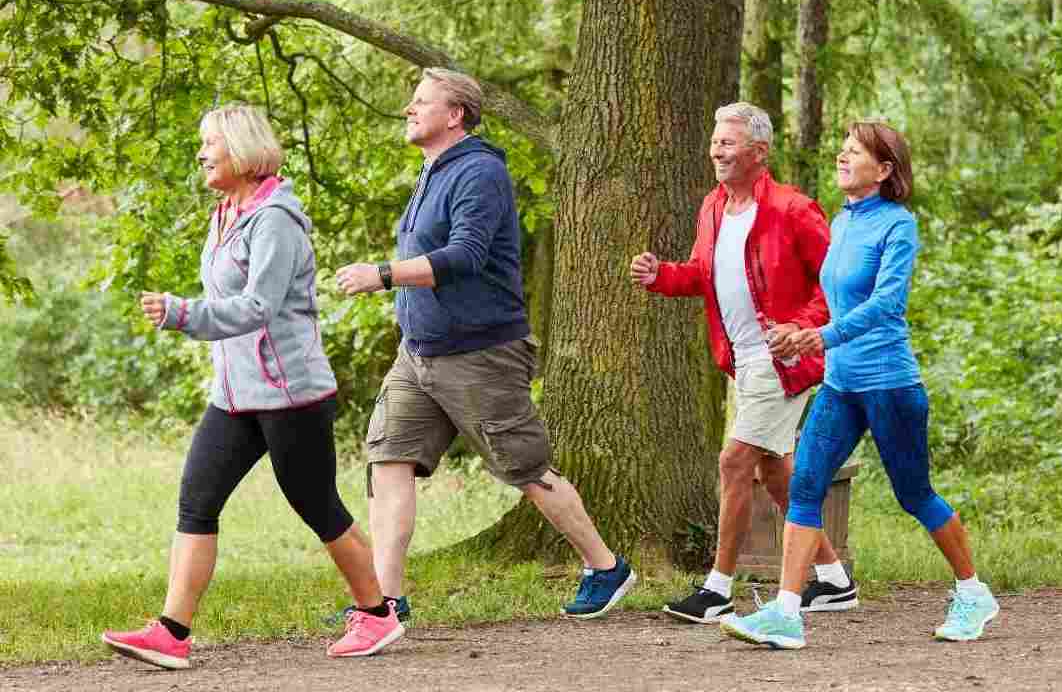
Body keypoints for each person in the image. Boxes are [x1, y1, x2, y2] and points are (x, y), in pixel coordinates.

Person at [101, 105, 403, 669]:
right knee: (197, 500)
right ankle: (172, 632)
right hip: (235, 396)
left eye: (209, 141)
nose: (201, 152)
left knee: (316, 504)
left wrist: (184, 314)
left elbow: (259, 306)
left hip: (292, 394)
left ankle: (378, 615)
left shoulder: (275, 221)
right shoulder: (226, 213)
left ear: (240, 148)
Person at [335, 67, 636, 621]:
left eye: (421, 101)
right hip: (419, 352)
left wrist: (383, 273)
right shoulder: (431, 171)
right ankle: (385, 603)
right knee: (388, 460)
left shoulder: (479, 172)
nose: (409, 108)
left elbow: (465, 256)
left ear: (455, 115)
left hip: (480, 353)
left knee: (525, 468)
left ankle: (605, 565)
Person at [722, 121, 999, 649]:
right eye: (843, 149)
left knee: (914, 493)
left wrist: (819, 337)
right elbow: (831, 297)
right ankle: (785, 612)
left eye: (856, 151)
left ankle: (972, 591)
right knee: (805, 485)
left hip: (889, 384)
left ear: (885, 169)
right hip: (841, 383)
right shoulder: (844, 222)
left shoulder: (898, 226)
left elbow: (887, 304)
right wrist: (800, 332)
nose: (843, 156)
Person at [630, 102, 856, 624]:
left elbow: (836, 284)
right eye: (715, 142)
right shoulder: (712, 206)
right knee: (775, 473)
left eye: (728, 143)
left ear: (759, 152)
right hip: (743, 361)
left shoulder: (792, 209)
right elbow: (702, 274)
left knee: (734, 462)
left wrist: (801, 330)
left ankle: (718, 588)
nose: (716, 150)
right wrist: (660, 275)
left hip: (784, 362)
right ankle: (835, 580)